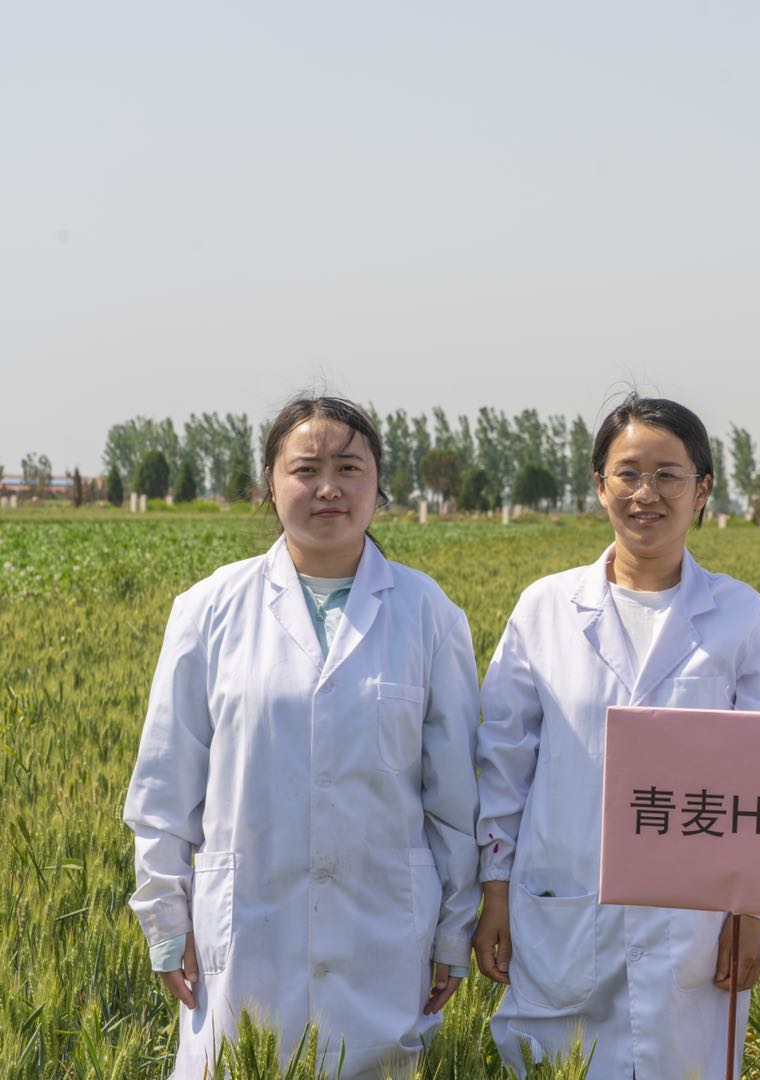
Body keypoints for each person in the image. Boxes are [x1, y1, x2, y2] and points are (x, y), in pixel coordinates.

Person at [124, 396, 481, 1079]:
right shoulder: (209, 610)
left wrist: (455, 927)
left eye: (349, 468)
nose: (328, 488)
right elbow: (166, 785)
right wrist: (165, 919)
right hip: (246, 934)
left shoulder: (428, 614)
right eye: (306, 469)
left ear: (378, 483)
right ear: (270, 483)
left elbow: (454, 799)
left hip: (382, 931)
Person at [473, 394, 760, 1078]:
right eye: (627, 474)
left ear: (702, 489)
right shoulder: (545, 609)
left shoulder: (741, 618)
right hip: (562, 909)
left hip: (694, 927)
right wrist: (495, 890)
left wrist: (752, 916)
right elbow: (504, 761)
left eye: (668, 475)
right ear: (600, 485)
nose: (646, 494)